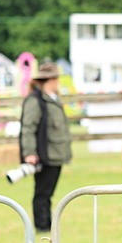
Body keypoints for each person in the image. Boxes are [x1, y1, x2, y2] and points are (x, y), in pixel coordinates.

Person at [19, 62, 72, 232]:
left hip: (55, 153)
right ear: (50, 79)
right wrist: (29, 152)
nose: (58, 82)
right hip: (44, 153)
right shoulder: (35, 100)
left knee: (48, 192)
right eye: (56, 79)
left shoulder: (52, 98)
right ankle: (42, 226)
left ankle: (47, 223)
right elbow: (28, 127)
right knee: (42, 192)